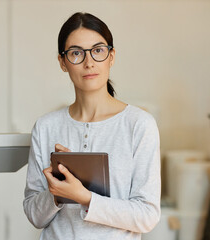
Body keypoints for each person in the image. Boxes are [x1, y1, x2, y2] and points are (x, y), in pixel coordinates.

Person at [23, 12, 161, 240]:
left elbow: (147, 215)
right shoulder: (46, 127)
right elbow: (34, 215)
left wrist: (85, 198)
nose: (89, 63)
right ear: (63, 62)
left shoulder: (139, 125)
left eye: (98, 51)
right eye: (76, 53)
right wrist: (55, 192)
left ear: (111, 56)